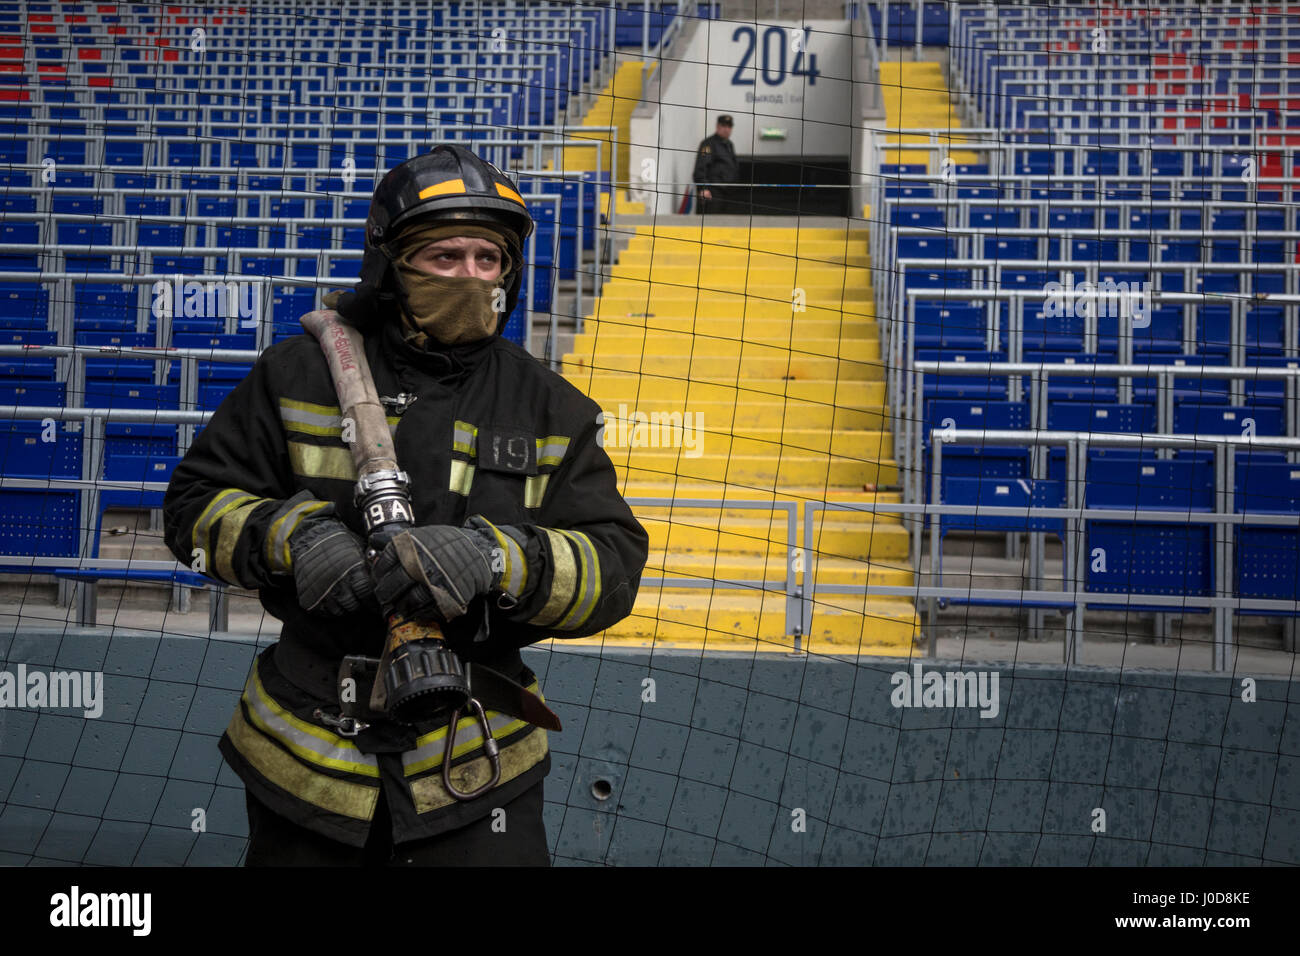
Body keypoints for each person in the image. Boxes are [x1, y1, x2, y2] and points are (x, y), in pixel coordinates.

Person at [162, 144, 650, 866]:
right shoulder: (296, 375)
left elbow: (614, 568)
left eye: (489, 259)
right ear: (392, 264)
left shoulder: (552, 408)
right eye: (445, 257)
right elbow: (191, 510)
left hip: (477, 769)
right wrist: (290, 540)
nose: (471, 275)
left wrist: (497, 560)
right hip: (306, 765)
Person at [692, 114, 739, 214]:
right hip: (713, 193)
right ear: (717, 126)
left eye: (729, 126)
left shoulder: (729, 145)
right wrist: (703, 188)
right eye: (724, 126)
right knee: (710, 224)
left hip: (728, 194)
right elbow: (701, 168)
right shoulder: (708, 144)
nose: (727, 129)